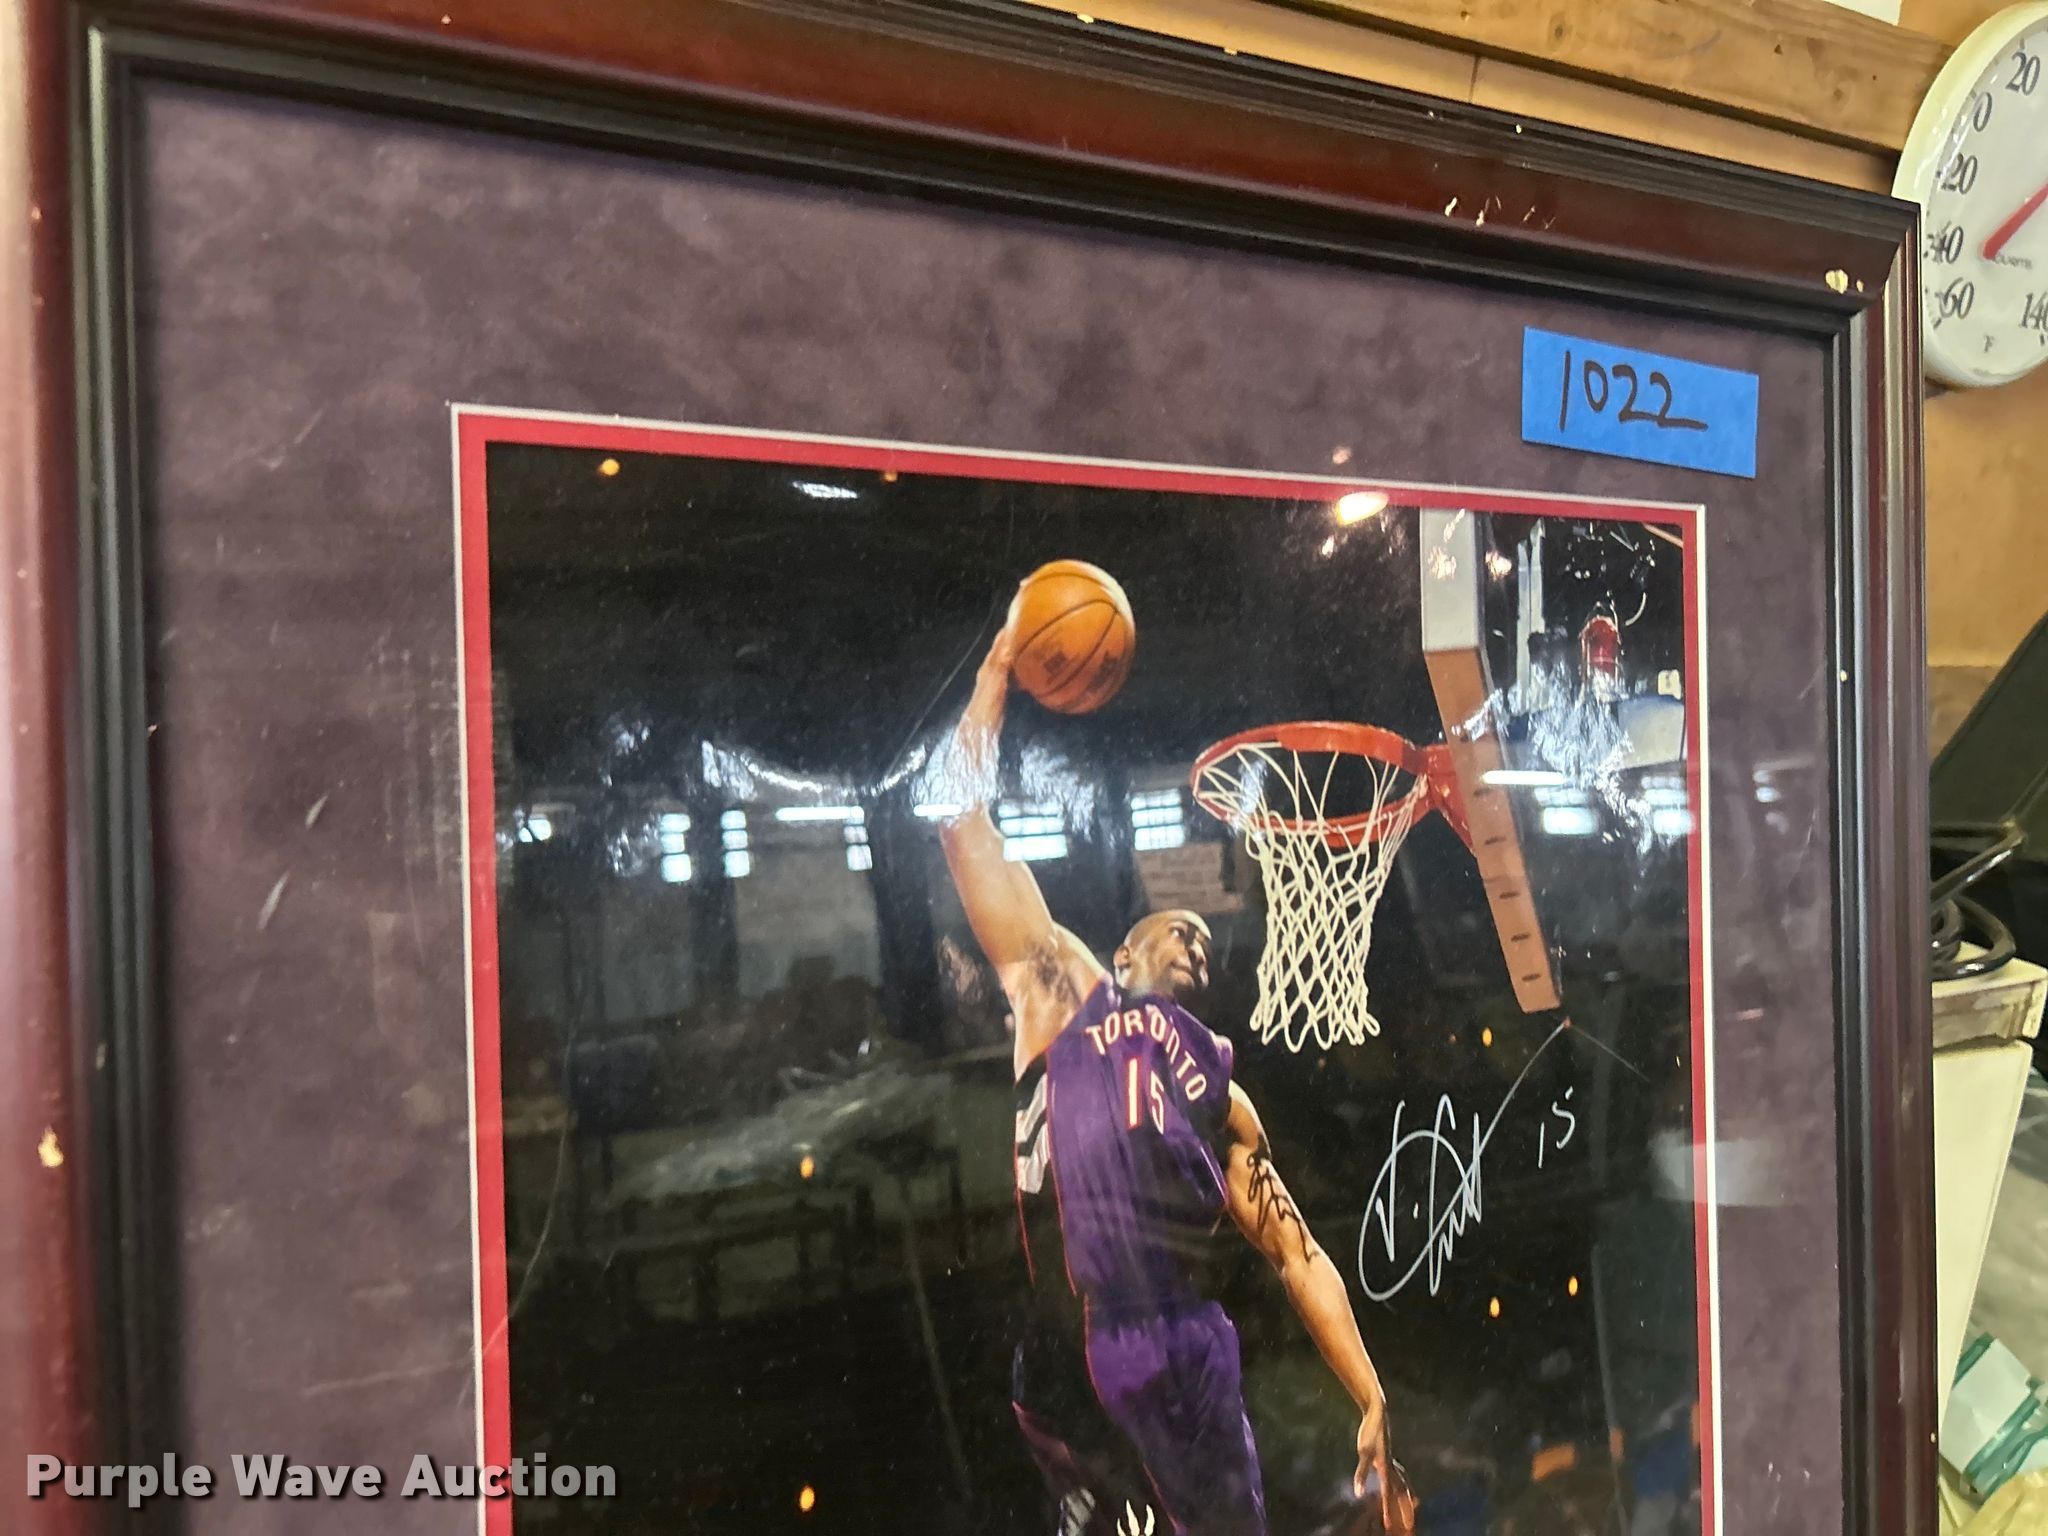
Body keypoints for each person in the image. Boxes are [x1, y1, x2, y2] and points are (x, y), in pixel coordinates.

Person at [939, 615, 1416, 1536]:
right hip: (1083, 1342)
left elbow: (1296, 1253)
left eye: (1205, 936)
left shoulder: (1216, 1091)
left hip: (1192, 1340)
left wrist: (1370, 1394)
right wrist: (998, 663)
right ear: (1122, 952)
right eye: (1175, 927)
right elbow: (962, 826)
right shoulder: (1065, 994)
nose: (1196, 937)